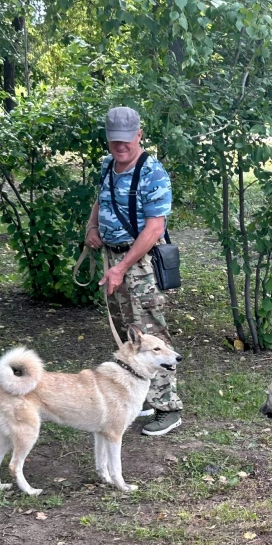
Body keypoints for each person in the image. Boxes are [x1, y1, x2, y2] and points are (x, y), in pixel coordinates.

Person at [85, 106, 183, 436]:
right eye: (115, 142)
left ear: (139, 135)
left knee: (153, 335)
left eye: (127, 141)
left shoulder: (152, 173)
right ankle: (141, 393)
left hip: (139, 263)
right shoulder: (106, 166)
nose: (121, 148)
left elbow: (155, 227)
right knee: (130, 334)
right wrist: (93, 228)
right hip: (113, 259)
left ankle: (168, 407)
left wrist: (122, 268)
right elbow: (102, 199)